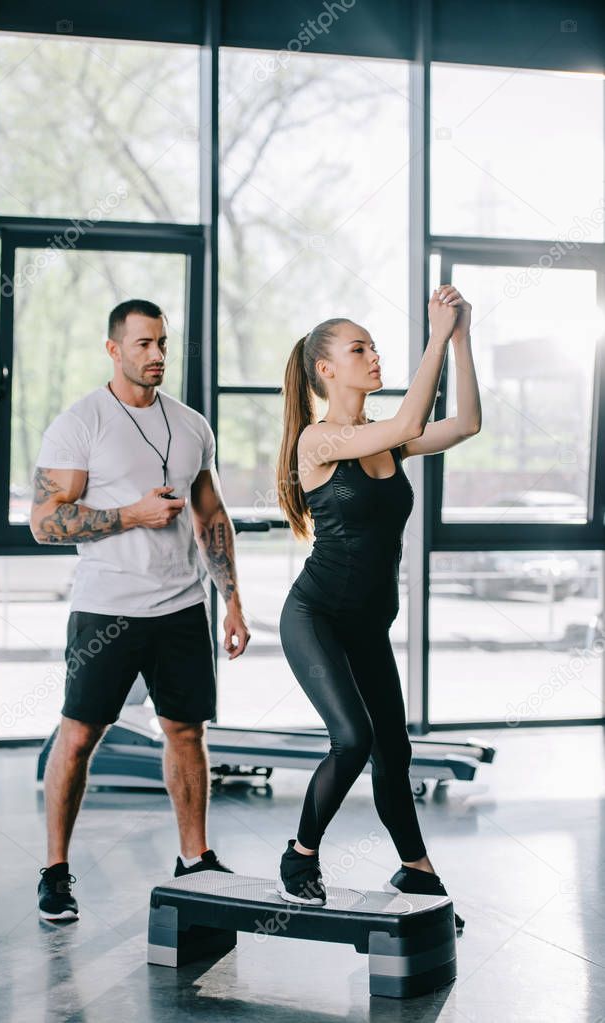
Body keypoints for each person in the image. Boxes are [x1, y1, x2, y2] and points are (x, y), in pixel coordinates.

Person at [31, 298, 251, 922]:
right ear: (113, 350)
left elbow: (210, 513)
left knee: (187, 731)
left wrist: (231, 598)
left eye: (162, 343)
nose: (157, 356)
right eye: (143, 345)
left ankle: (194, 857)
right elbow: (45, 523)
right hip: (107, 608)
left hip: (184, 604)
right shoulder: (80, 423)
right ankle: (55, 870)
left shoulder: (191, 425)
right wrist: (132, 512)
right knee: (78, 738)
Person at [274, 285, 481, 935]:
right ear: (326, 369)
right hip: (315, 616)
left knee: (394, 750)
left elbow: (466, 423)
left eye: (373, 344)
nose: (372, 355)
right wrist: (434, 338)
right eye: (357, 347)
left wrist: (460, 337)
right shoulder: (316, 440)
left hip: (366, 626)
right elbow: (409, 422)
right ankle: (299, 852)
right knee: (353, 737)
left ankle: (415, 869)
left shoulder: (382, 439)